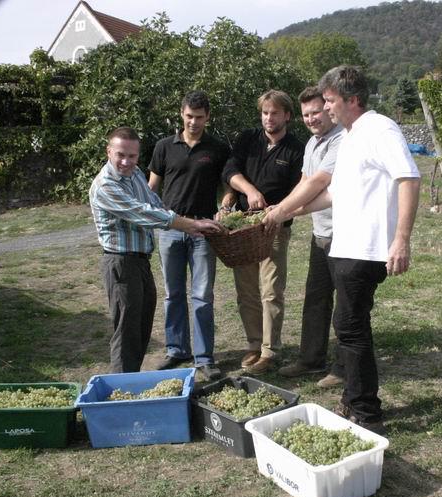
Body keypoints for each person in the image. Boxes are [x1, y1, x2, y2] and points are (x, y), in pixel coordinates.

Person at [292, 65, 421, 434]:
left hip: (365, 249)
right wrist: (294, 209)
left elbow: (408, 177)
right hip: (344, 247)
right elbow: (335, 194)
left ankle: (366, 412)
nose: (326, 108)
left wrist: (401, 238)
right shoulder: (349, 136)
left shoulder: (379, 129)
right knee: (348, 325)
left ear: (352, 99)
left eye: (330, 101)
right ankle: (354, 398)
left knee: (350, 327)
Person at [89, 126, 222, 374]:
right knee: (126, 331)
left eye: (132, 155)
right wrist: (191, 224)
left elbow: (155, 203)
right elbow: (144, 213)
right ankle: (123, 388)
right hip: (120, 264)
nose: (126, 161)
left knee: (141, 326)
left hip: (140, 262)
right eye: (120, 154)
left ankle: (133, 381)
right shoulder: (105, 186)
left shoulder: (135, 174)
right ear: (109, 151)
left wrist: (182, 221)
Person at [263, 86, 345, 388]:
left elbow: (322, 182)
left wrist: (285, 212)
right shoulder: (312, 143)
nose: (311, 118)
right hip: (320, 232)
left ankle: (343, 367)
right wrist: (283, 206)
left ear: (328, 109)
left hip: (345, 233)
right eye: (306, 114)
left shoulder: (343, 141)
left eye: (316, 112)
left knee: (346, 306)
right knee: (315, 298)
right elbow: (305, 180)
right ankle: (312, 359)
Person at [147, 91, 230, 380]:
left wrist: (224, 207)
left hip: (203, 231)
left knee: (203, 296)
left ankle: (204, 357)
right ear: (181, 114)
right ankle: (176, 349)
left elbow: (229, 183)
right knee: (173, 294)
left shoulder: (218, 149)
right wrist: (151, 218)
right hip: (170, 229)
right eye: (189, 116)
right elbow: (151, 188)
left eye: (199, 117)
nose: (194, 122)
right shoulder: (164, 146)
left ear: (208, 117)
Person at [222, 90, 305, 375]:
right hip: (243, 229)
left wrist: (281, 212)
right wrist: (249, 190)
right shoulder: (248, 139)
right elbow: (230, 170)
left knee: (271, 291)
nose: (269, 118)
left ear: (287, 116)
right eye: (265, 113)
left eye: (274, 113)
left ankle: (270, 351)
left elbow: (300, 190)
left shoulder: (297, 149)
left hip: (275, 229)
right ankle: (254, 344)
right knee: (246, 290)